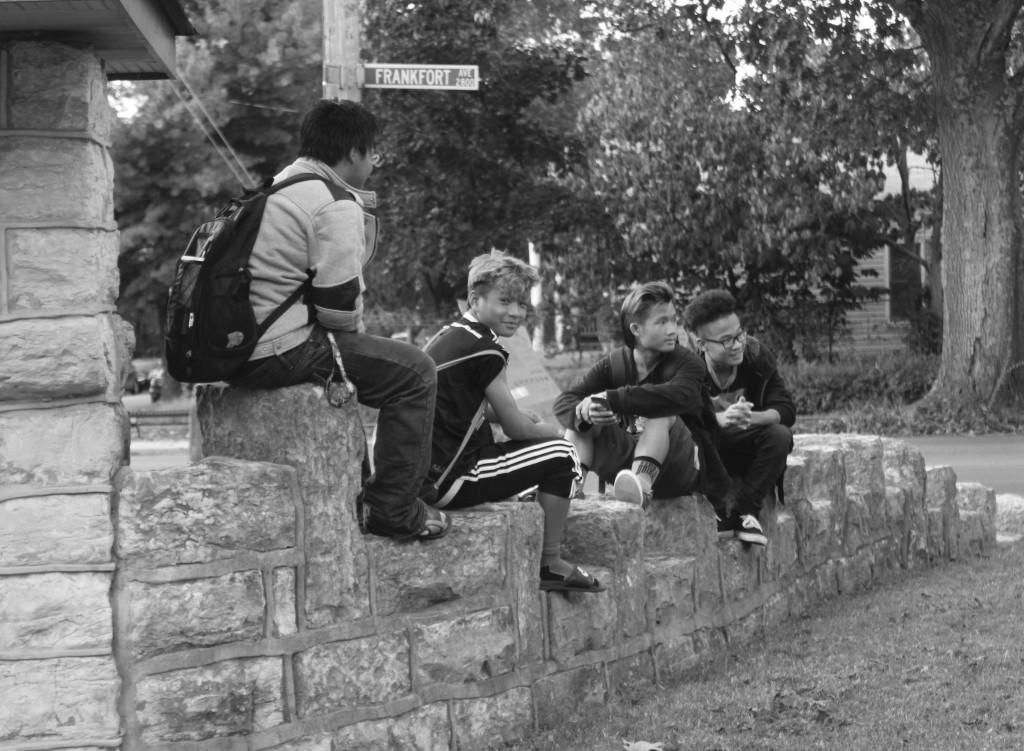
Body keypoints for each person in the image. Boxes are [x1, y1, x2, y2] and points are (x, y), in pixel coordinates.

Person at [229, 99, 450, 542]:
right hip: (277, 349)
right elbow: (338, 309)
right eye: (372, 153)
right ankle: (394, 508)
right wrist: (360, 345)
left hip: (239, 345)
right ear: (353, 152)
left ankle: (378, 490)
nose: (372, 164)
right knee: (415, 372)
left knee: (376, 361)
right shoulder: (333, 204)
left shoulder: (278, 185)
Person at [423, 251, 604, 593]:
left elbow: (460, 404)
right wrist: (549, 432)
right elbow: (515, 430)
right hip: (453, 478)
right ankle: (549, 563)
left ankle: (533, 497)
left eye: (521, 304)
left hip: (428, 473)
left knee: (538, 443)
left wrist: (519, 418)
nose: (516, 312)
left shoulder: (452, 335)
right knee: (563, 454)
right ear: (475, 299)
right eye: (505, 301)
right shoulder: (485, 350)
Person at [553, 282, 717, 510]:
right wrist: (587, 412)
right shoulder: (613, 365)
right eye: (662, 322)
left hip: (680, 468)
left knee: (660, 413)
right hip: (625, 464)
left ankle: (642, 485)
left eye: (673, 320)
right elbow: (564, 402)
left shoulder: (690, 363)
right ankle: (569, 485)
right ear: (636, 329)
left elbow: (678, 396)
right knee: (580, 420)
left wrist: (612, 399)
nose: (673, 329)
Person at [682, 289, 795, 547]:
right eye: (726, 341)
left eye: (739, 335)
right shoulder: (687, 367)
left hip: (747, 448)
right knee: (697, 433)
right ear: (702, 345)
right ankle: (718, 510)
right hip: (710, 453)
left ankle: (746, 512)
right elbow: (682, 420)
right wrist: (720, 419)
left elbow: (786, 410)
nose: (737, 345)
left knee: (780, 436)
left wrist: (750, 418)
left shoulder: (755, 355)